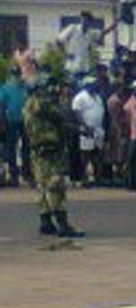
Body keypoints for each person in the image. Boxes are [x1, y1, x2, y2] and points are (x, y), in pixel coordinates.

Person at [22, 71, 84, 237]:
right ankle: (63, 225)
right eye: (50, 86)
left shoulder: (29, 103)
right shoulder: (42, 103)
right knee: (56, 186)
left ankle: (46, 222)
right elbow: (61, 117)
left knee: (42, 186)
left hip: (38, 150)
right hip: (50, 149)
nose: (54, 89)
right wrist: (79, 129)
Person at [71, 76, 106, 187]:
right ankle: (83, 178)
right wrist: (85, 126)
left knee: (98, 155)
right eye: (93, 84)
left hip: (98, 129)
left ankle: (98, 178)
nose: (95, 86)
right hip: (86, 129)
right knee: (85, 156)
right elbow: (77, 113)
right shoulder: (80, 97)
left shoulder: (98, 97)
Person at [0, 66, 27, 185]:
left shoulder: (25, 87)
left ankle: (27, 173)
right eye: (14, 74)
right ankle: (14, 175)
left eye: (18, 74)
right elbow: (1, 106)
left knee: (27, 147)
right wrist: (2, 122)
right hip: (10, 121)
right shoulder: (5, 88)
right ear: (10, 75)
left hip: (25, 121)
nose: (16, 77)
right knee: (11, 148)